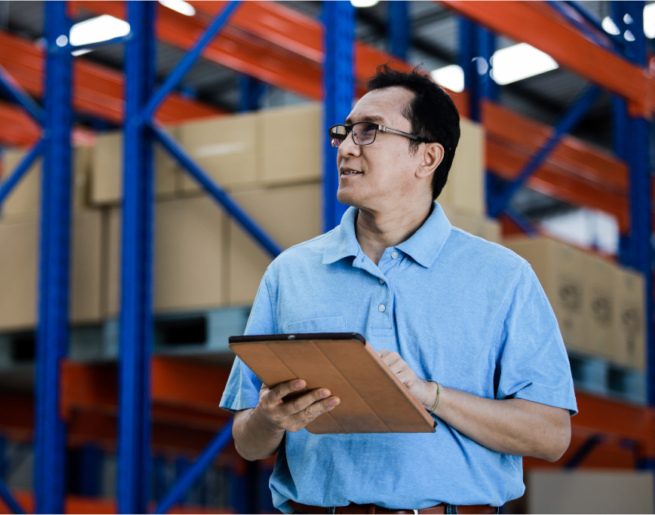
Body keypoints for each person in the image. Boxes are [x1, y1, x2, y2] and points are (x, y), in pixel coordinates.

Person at [219, 64, 576, 514]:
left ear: (426, 158)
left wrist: (430, 395)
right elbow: (248, 443)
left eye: (369, 131)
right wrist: (270, 418)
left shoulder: (503, 277)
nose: (346, 147)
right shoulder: (290, 273)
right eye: (345, 132)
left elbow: (550, 436)